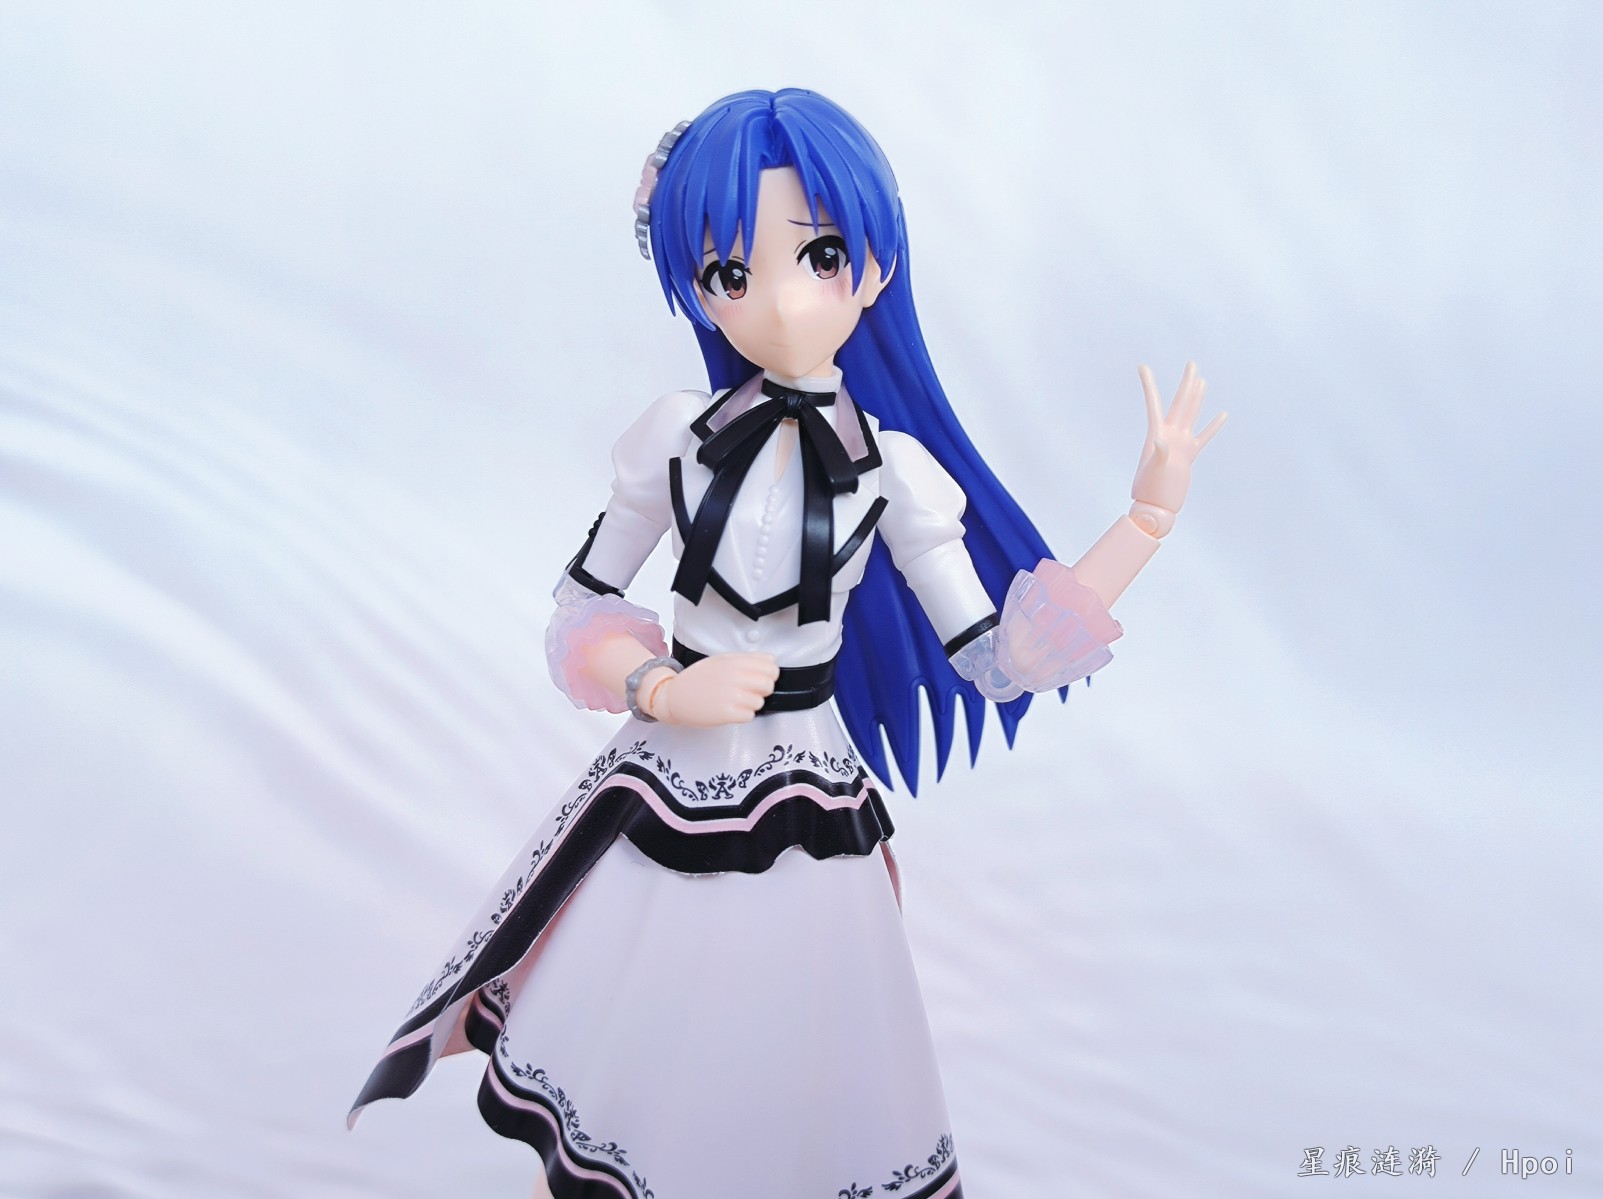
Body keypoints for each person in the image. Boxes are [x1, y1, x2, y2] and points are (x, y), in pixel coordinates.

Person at [349, 88, 1224, 1199]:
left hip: (807, 798)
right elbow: (579, 607)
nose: (776, 298)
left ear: (874, 266)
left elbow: (995, 657)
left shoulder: (896, 474)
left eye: (818, 256)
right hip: (667, 779)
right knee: (630, 1044)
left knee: (785, 1051)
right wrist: (661, 687)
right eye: (730, 270)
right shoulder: (674, 435)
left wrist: (1142, 523)